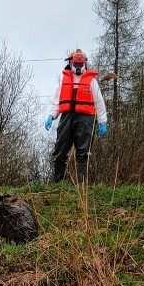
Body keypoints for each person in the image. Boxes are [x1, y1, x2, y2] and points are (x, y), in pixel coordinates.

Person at [44, 49, 108, 185]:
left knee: (83, 153)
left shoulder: (91, 81)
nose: (78, 67)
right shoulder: (64, 80)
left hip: (85, 119)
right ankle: (59, 183)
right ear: (71, 63)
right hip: (67, 117)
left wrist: (102, 122)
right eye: (76, 64)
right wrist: (51, 115)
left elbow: (99, 102)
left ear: (84, 64)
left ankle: (81, 185)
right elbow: (57, 100)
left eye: (80, 64)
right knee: (60, 151)